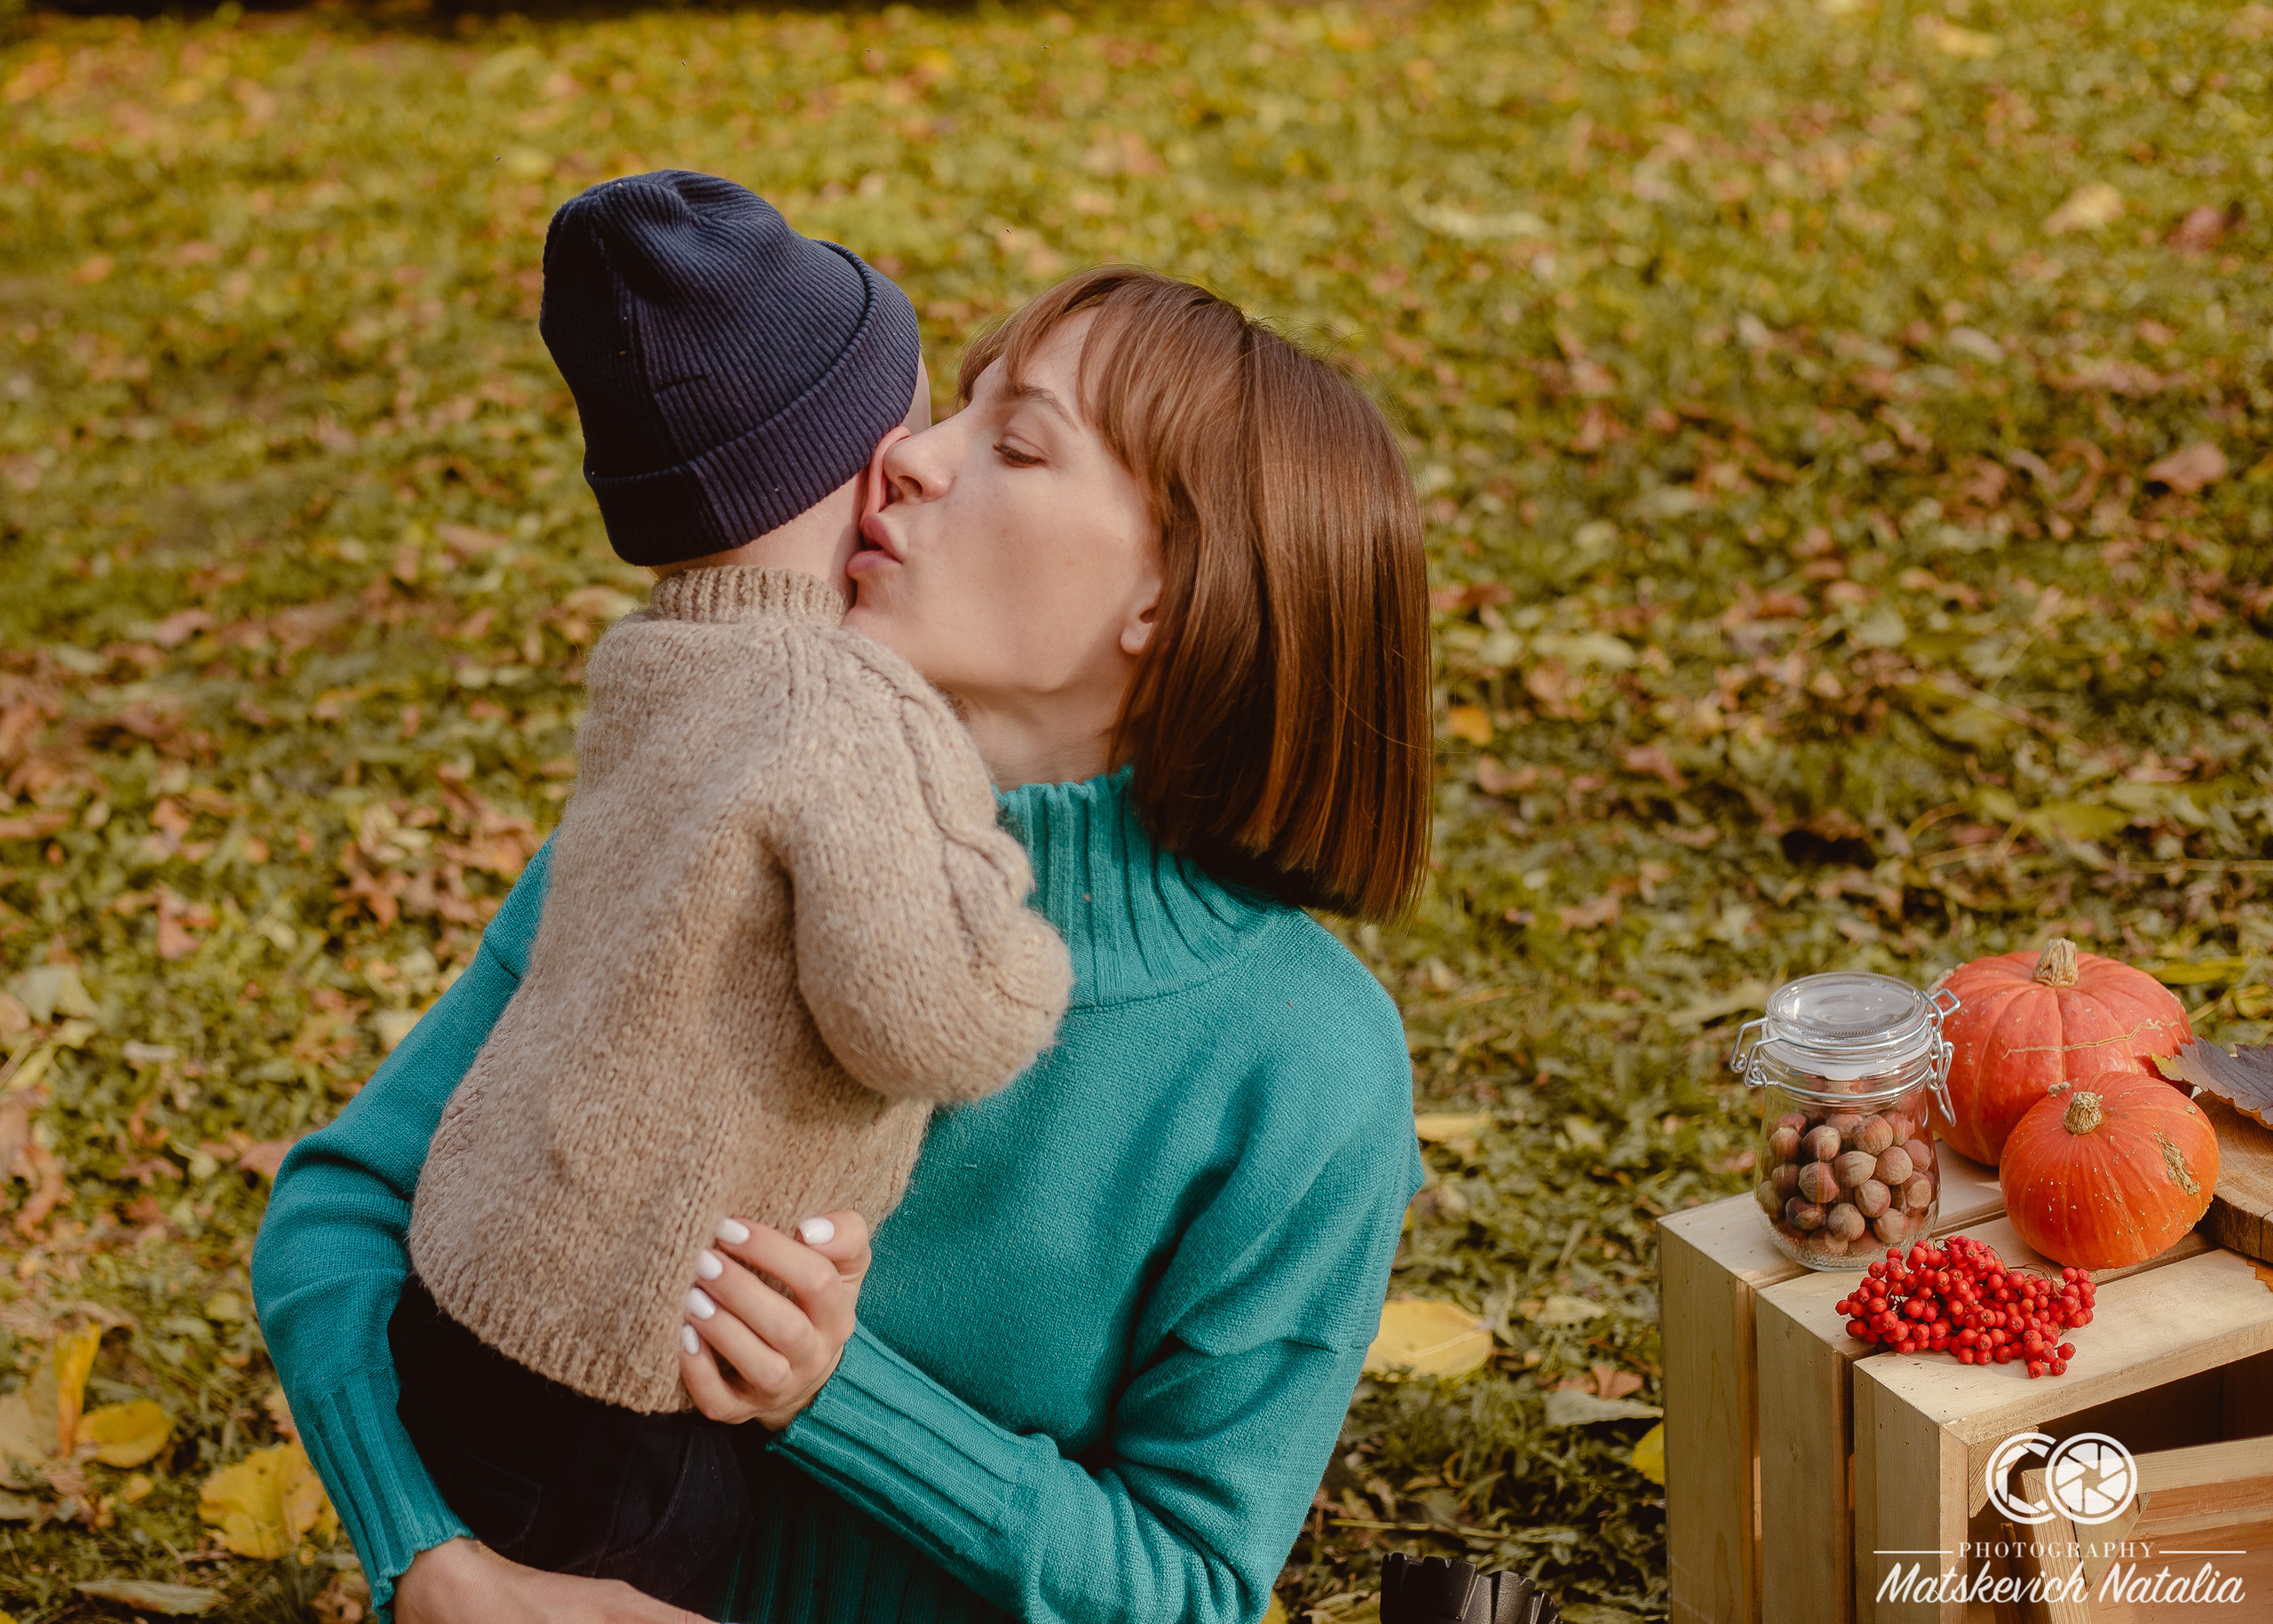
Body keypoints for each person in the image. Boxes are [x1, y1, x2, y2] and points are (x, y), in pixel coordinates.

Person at [252, 263, 1435, 1624]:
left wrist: (832, 1391)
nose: (907, 458)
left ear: (1167, 595)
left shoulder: (1303, 1064)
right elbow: (343, 1205)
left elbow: (1188, 1583)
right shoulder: (699, 815)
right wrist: (438, 1569)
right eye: (956, 406)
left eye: (1017, 443)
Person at [379, 169, 1073, 1612]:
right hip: (623, 1376)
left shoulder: (652, 660)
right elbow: (928, 1022)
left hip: (461, 1298)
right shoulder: (849, 706)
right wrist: (1009, 908)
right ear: (874, 461)